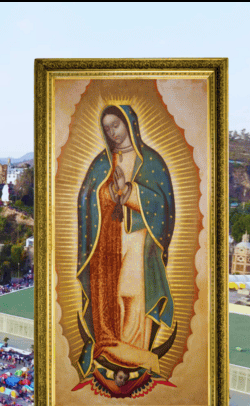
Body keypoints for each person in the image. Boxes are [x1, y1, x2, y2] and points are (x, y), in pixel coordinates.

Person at [76, 104, 177, 387]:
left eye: (116, 125)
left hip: (139, 239)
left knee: (132, 295)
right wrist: (109, 192)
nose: (112, 132)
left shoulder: (152, 162)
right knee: (112, 297)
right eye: (107, 128)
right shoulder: (101, 162)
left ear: (129, 123)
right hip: (107, 243)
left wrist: (130, 191)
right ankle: (121, 350)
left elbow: (164, 207)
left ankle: (134, 351)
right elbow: (86, 199)